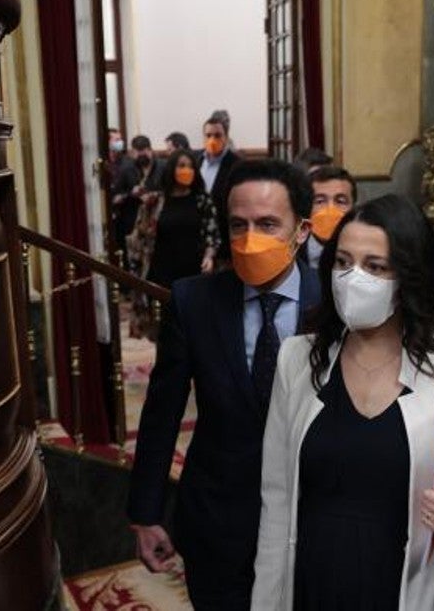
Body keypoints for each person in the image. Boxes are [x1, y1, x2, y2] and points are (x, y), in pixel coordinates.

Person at [252, 194, 434, 611]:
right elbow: (275, 496)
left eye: (375, 267)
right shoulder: (297, 359)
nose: (354, 278)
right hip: (313, 577)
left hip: (408, 584)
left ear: (408, 276)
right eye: (343, 262)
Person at [127, 159, 320, 610]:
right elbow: (161, 411)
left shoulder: (333, 300)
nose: (250, 239)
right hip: (217, 518)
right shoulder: (194, 301)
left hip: (312, 520)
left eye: (268, 224)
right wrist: (145, 512)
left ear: (303, 230)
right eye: (239, 225)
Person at [124, 150, 217, 338]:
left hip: (193, 272)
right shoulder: (154, 201)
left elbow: (212, 233)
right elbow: (138, 238)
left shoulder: (202, 200)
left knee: (194, 330)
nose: (187, 170)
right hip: (161, 273)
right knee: (165, 330)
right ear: (171, 169)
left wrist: (209, 256)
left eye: (191, 166)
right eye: (182, 166)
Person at [112, 135, 161, 272]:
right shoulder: (125, 169)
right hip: (132, 224)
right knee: (134, 265)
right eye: (137, 152)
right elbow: (114, 198)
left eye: (144, 151)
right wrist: (131, 194)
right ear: (132, 152)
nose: (141, 155)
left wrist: (154, 195)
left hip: (156, 223)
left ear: (150, 150)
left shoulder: (162, 167)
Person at [198, 110, 242, 264]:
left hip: (225, 236)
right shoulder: (197, 161)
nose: (212, 139)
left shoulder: (237, 164)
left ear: (226, 137)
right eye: (208, 135)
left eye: (217, 135)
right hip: (199, 236)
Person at [300, 165, 356, 270]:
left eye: (340, 201)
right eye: (320, 201)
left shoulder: (368, 249)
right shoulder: (291, 253)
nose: (331, 209)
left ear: (353, 207)